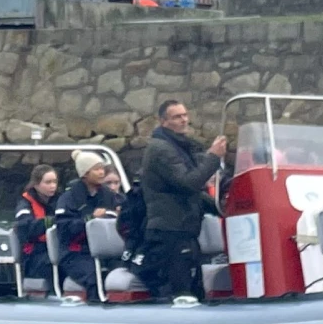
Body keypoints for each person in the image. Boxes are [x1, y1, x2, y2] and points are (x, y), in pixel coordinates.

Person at [137, 100, 226, 300]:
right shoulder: (161, 149)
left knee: (193, 288)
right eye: (177, 116)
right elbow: (188, 183)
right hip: (170, 232)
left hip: (184, 229)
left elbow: (191, 191)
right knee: (179, 291)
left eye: (185, 115)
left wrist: (222, 207)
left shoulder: (182, 146)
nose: (184, 120)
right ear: (163, 121)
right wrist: (213, 157)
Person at [54, 149, 120, 299]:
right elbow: (64, 230)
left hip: (108, 253)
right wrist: (90, 219)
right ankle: (96, 307)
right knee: (94, 277)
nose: (101, 172)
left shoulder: (109, 196)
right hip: (75, 253)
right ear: (85, 173)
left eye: (102, 168)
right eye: (96, 169)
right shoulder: (68, 199)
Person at [13, 164, 58, 281]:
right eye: (48, 182)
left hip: (57, 249)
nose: (53, 186)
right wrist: (49, 222)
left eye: (54, 182)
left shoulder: (59, 201)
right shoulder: (24, 205)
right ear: (36, 184)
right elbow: (25, 229)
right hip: (34, 256)